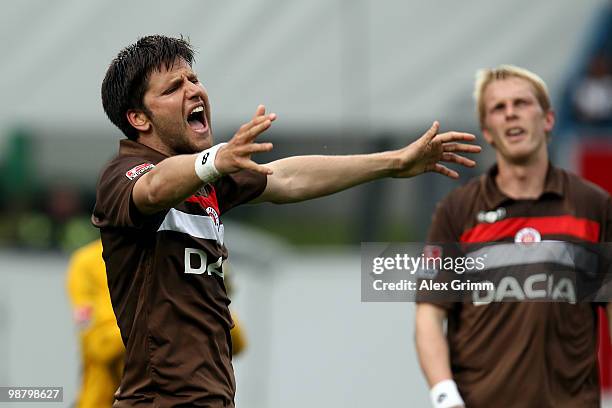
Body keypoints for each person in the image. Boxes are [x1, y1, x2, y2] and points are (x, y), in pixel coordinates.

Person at [94, 35, 480, 407]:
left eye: (193, 79)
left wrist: (394, 163)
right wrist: (213, 162)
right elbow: (152, 189)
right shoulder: (124, 173)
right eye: (172, 88)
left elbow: (287, 178)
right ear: (138, 118)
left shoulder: (205, 181)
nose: (193, 90)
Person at [415, 65, 612, 408]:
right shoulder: (457, 210)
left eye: (521, 103)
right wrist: (445, 396)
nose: (510, 114)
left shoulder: (594, 206)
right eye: (498, 108)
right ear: (487, 132)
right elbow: (429, 314)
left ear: (548, 119)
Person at [66, 239, 248, 407]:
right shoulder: (88, 261)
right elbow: (99, 345)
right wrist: (172, 311)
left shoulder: (184, 251)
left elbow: (237, 343)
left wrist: (214, 296)